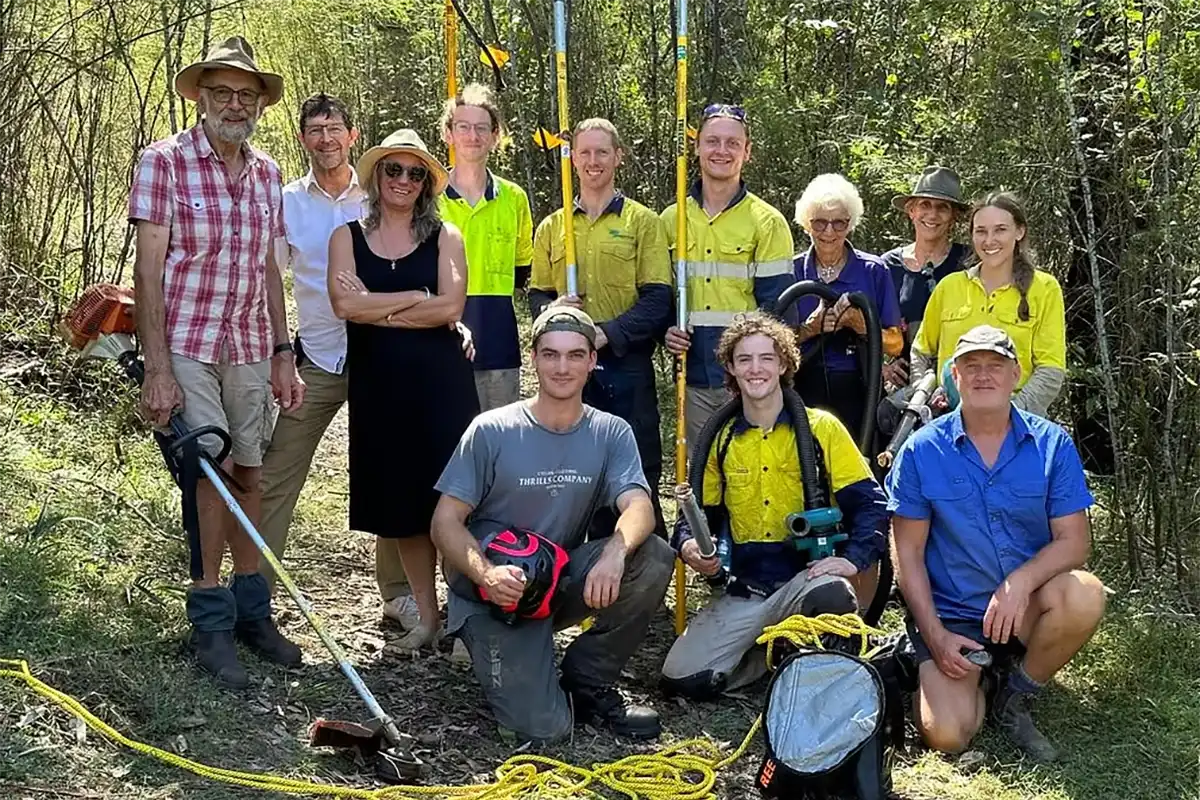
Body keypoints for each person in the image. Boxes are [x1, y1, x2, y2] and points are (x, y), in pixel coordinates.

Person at [129, 36, 305, 688]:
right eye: (222, 92)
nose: (234, 104)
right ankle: (208, 618)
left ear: (260, 104)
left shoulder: (264, 172)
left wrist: (282, 352)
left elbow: (266, 267)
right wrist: (157, 368)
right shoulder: (164, 163)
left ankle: (251, 609)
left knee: (251, 473)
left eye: (245, 94)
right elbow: (149, 270)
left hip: (250, 344)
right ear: (200, 97)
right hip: (188, 342)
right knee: (211, 469)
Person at [431, 306, 675, 744]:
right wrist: (486, 573)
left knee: (653, 555)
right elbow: (444, 522)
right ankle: (509, 657)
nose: (562, 367)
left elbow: (639, 503)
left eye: (575, 355)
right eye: (551, 354)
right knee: (546, 731)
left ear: (592, 361)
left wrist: (615, 553)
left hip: (556, 579)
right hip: (492, 596)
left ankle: (587, 678)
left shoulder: (610, 432)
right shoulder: (491, 430)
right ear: (534, 358)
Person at [886, 325, 1106, 762]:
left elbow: (1074, 542)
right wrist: (935, 633)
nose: (984, 375)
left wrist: (1019, 584)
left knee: (1085, 595)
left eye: (995, 365)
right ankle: (979, 674)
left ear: (1015, 374)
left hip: (1024, 608)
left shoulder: (1051, 444)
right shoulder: (921, 450)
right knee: (946, 735)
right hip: (954, 615)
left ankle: (1017, 695)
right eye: (972, 366)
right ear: (954, 375)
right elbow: (906, 553)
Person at [661, 312, 889, 697]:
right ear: (731, 368)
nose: (756, 369)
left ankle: (818, 664)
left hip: (808, 580)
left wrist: (852, 559)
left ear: (784, 363)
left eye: (766, 358)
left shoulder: (821, 428)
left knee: (832, 593)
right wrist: (689, 547)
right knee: (682, 680)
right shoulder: (720, 440)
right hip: (746, 589)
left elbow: (871, 504)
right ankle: (771, 655)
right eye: (744, 359)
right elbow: (694, 518)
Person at [327, 129, 478, 650]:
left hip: (441, 384)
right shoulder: (346, 237)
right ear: (376, 176)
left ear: (427, 184)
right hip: (379, 386)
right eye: (394, 169)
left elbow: (450, 308)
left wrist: (381, 305)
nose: (404, 181)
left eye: (416, 173)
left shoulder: (447, 237)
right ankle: (427, 618)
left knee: (454, 499)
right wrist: (416, 296)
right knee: (402, 503)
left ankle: (466, 621)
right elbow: (345, 308)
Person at [529, 118, 672, 536]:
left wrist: (605, 333)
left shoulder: (643, 222)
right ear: (573, 158)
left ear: (618, 157)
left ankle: (642, 587)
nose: (593, 161)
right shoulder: (553, 227)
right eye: (584, 152)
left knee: (636, 475)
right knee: (571, 478)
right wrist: (552, 308)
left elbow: (658, 301)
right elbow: (536, 297)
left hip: (626, 370)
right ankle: (576, 582)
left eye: (602, 152)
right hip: (567, 375)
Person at [661, 104, 795, 447]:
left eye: (732, 143)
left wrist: (756, 369)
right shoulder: (670, 219)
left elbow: (777, 311)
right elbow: (658, 297)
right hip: (691, 378)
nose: (722, 151)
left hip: (749, 380)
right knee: (701, 476)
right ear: (697, 147)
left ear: (746, 152)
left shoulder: (767, 222)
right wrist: (665, 330)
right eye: (712, 141)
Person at [908, 192, 1066, 418]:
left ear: (1019, 232)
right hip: (949, 422)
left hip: (1016, 426)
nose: (989, 240)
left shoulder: (1044, 288)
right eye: (981, 231)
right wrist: (925, 396)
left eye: (1000, 230)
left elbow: (1051, 369)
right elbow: (920, 352)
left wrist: (1010, 416)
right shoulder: (949, 287)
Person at [438, 83, 535, 411]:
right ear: (448, 134)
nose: (472, 136)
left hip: (498, 341)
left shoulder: (514, 198)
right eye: (463, 127)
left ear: (496, 135)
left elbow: (523, 270)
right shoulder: (430, 199)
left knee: (498, 444)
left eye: (482, 128)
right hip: (441, 338)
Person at [791, 174, 903, 443]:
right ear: (807, 224)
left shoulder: (873, 270)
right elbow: (771, 343)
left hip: (860, 388)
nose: (829, 232)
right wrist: (811, 328)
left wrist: (860, 324)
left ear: (850, 224)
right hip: (801, 385)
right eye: (819, 223)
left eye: (838, 223)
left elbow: (895, 344)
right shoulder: (790, 270)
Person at [876, 166, 970, 452]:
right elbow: (866, 327)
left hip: (960, 387)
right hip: (900, 394)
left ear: (954, 215)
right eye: (924, 205)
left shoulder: (968, 262)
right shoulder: (885, 266)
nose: (932, 214)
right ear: (911, 211)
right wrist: (881, 367)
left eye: (942, 207)